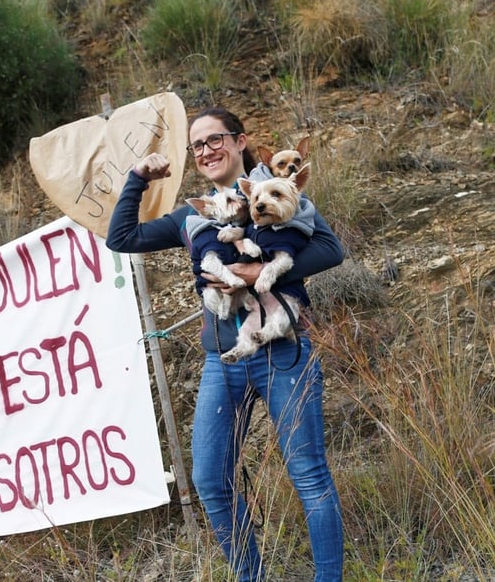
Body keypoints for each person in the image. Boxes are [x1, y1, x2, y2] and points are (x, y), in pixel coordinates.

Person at [106, 107, 345, 581]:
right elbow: (122, 237)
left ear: (239, 141)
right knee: (210, 481)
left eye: (215, 139)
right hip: (224, 359)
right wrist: (137, 177)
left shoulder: (274, 187)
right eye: (197, 146)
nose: (207, 151)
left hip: (283, 352)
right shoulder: (191, 216)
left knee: (308, 475)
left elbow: (330, 249)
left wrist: (258, 272)